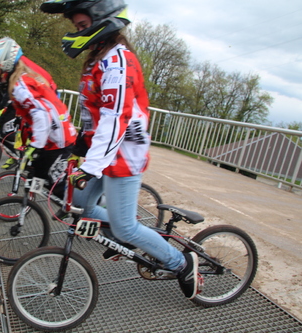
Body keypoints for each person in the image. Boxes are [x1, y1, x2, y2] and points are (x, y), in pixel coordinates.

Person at [40, 0, 200, 300]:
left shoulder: (117, 61)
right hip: (103, 152)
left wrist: (90, 166)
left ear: (102, 20)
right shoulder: (97, 58)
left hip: (125, 154)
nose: (78, 33)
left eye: (82, 26)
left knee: (126, 229)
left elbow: (116, 117)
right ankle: (120, 228)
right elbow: (95, 113)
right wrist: (81, 146)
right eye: (77, 27)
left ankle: (181, 263)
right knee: (80, 206)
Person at [0, 37, 77, 195]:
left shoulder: (20, 85)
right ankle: (32, 205)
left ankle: (91, 210)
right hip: (52, 138)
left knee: (61, 189)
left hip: (59, 140)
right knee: (38, 175)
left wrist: (35, 146)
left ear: (4, 65)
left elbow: (41, 116)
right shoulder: (19, 80)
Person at [0, 35, 60, 169]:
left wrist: (1, 109)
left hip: (47, 101)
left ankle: (25, 159)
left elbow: (10, 93)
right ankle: (20, 157)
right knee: (13, 132)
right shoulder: (5, 69)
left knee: (13, 132)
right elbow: (4, 94)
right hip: (33, 102)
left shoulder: (13, 68)